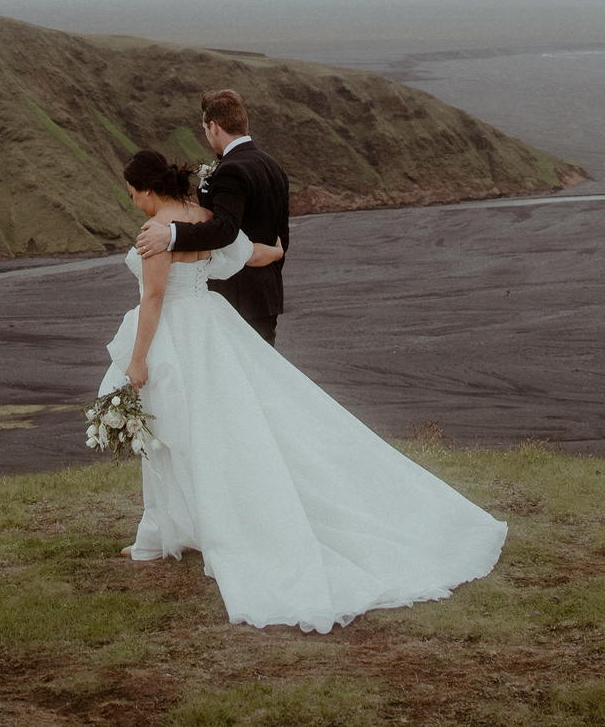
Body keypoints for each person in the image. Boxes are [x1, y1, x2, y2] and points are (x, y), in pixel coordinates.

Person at [101, 148, 506, 634]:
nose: (134, 203)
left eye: (133, 195)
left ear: (147, 190)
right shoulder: (203, 217)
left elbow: (153, 297)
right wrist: (275, 253)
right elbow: (243, 252)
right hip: (210, 327)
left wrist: (138, 360)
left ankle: (165, 534)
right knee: (215, 431)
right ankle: (171, 530)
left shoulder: (156, 231)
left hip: (176, 335)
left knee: (170, 433)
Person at [133, 88, 289, 344]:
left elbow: (224, 229)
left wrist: (171, 234)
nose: (207, 136)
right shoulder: (274, 167)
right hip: (267, 296)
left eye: (205, 129)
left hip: (234, 296)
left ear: (214, 127)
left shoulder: (231, 169)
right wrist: (268, 266)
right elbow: (282, 236)